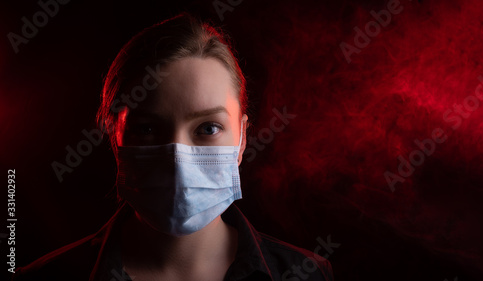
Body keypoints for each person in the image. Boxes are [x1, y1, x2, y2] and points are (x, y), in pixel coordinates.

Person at [12, 13, 333, 281]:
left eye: (208, 128)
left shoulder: (306, 274)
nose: (178, 159)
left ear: (242, 138)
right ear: (115, 136)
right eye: (148, 128)